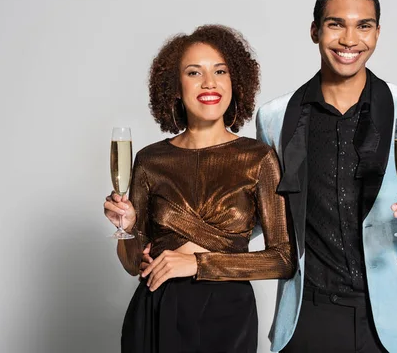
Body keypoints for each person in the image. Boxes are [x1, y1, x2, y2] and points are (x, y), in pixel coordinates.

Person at [256, 0, 397, 352]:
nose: (349, 39)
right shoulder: (275, 118)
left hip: (390, 321)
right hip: (307, 315)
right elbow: (262, 215)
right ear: (315, 31)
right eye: (335, 24)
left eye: (363, 26)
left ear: (377, 32)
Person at [104, 24, 294, 353]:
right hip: (158, 309)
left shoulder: (258, 158)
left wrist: (198, 264)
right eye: (194, 72)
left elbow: (283, 259)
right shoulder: (150, 160)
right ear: (176, 87)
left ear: (235, 81)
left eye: (220, 71)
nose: (209, 83)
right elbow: (135, 263)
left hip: (228, 314)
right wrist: (129, 227)